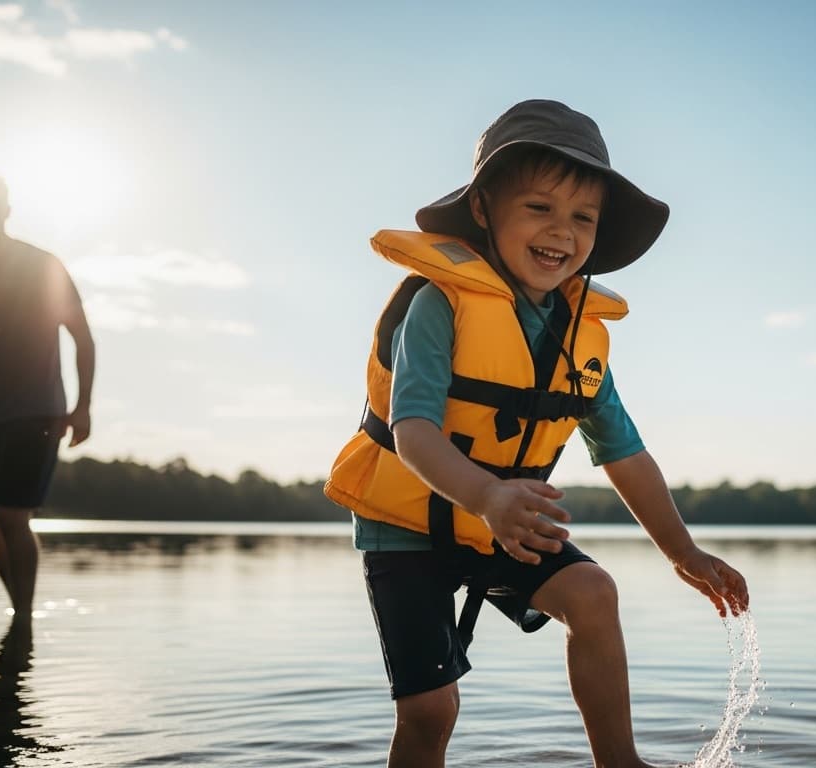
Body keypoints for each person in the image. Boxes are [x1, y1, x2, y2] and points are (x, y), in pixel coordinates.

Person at [325, 99, 749, 768]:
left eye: (583, 217)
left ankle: (620, 764)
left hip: (505, 521)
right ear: (484, 207)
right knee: (432, 711)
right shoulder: (439, 304)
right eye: (539, 207)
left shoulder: (578, 337)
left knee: (593, 594)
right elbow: (412, 431)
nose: (562, 232)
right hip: (407, 528)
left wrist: (684, 552)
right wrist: (488, 496)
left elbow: (626, 454)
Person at [0, 170, 96, 621]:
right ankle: (18, 611)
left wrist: (82, 407)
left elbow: (82, 337)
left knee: (10, 515)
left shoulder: (41, 265)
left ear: (6, 210)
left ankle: (23, 616)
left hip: (38, 410)